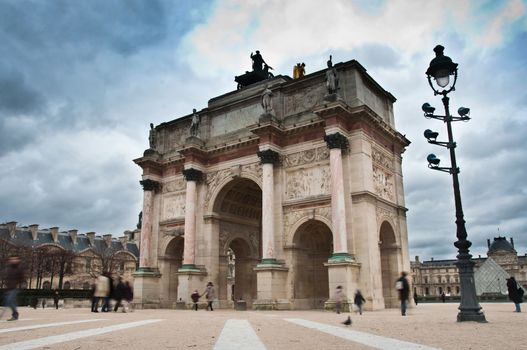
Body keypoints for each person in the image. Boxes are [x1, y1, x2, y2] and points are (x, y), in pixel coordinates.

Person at [2, 256, 25, 321]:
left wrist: (23, 284)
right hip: (8, 288)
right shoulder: (9, 268)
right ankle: (15, 314)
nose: (12, 260)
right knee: (10, 301)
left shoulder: (19, 269)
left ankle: (15, 314)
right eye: (11, 259)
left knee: (9, 301)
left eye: (14, 259)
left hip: (14, 288)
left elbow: (22, 278)